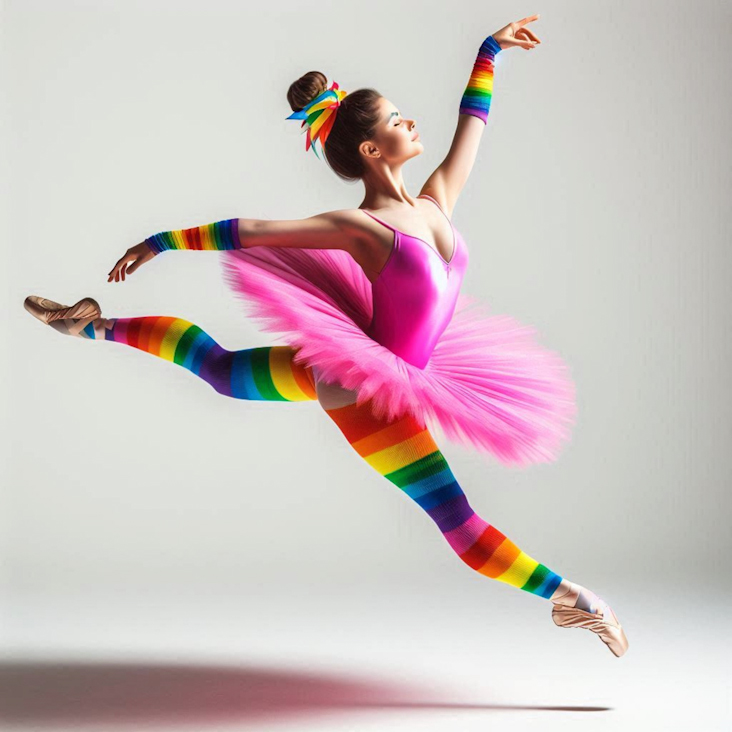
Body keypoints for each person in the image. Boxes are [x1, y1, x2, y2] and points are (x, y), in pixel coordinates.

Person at [23, 14, 628, 657]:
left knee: (227, 372)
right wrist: (160, 242)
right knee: (458, 522)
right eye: (397, 121)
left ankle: (93, 325)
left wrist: (489, 53)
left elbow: (471, 126)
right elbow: (252, 231)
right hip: (364, 389)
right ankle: (572, 599)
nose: (410, 123)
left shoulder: (434, 203)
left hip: (375, 363)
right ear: (371, 150)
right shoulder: (362, 227)